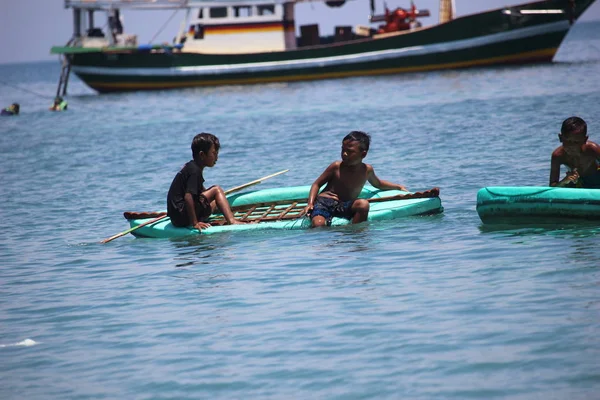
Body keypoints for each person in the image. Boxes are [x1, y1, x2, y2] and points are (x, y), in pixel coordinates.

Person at [303, 130, 409, 227]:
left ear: (363, 154)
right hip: (325, 203)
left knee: (363, 204)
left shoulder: (367, 170)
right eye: (343, 150)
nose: (344, 154)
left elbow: (379, 184)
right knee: (318, 223)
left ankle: (355, 233)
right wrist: (310, 204)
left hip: (345, 205)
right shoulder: (336, 166)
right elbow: (316, 184)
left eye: (349, 151)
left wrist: (398, 186)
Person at [167, 132, 244, 230]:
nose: (216, 157)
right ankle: (232, 221)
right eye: (213, 153)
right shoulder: (194, 171)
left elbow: (200, 192)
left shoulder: (191, 167)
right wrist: (195, 223)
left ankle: (225, 214)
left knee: (214, 203)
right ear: (202, 155)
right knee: (216, 190)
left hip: (177, 218)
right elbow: (188, 196)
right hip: (182, 217)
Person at [550, 116, 600, 188]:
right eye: (568, 141)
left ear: (585, 140)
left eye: (576, 142)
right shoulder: (558, 156)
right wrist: (565, 181)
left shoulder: (592, 149)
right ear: (560, 138)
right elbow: (552, 186)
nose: (571, 146)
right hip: (577, 183)